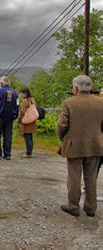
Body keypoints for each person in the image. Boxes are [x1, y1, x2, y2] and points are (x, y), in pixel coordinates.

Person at [57, 75, 103, 217]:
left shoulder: (69, 102)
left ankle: (73, 206)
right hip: (95, 144)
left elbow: (62, 124)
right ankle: (91, 208)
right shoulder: (100, 103)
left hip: (74, 145)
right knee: (91, 177)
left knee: (74, 177)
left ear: (76, 88)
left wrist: (62, 137)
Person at [0, 76, 19, 160]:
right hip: (10, 118)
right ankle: (7, 154)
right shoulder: (15, 93)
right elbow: (17, 106)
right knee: (8, 136)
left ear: (1, 83)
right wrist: (15, 115)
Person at [17, 88, 37, 157]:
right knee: (30, 136)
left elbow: (22, 112)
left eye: (21, 93)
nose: (20, 95)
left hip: (26, 120)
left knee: (27, 136)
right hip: (32, 120)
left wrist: (19, 119)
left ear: (25, 93)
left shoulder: (24, 101)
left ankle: (28, 153)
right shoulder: (32, 100)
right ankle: (30, 151)